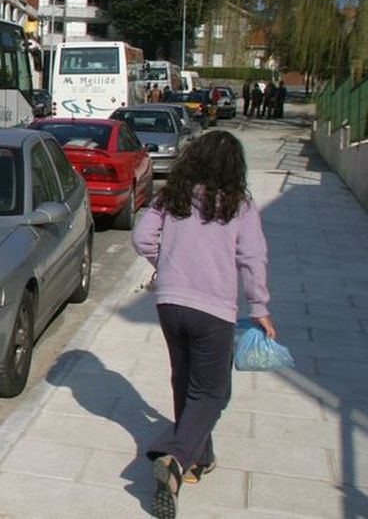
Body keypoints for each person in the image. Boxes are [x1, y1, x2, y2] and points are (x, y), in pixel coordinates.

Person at [132, 131, 275, 519]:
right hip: (212, 308)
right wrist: (260, 306)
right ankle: (176, 460)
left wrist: (165, 265)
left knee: (185, 379)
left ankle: (199, 457)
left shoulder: (171, 196)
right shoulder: (238, 205)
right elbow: (252, 258)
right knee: (212, 392)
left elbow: (142, 237)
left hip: (169, 304)